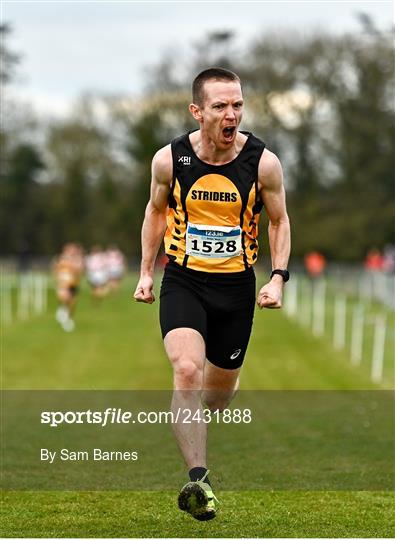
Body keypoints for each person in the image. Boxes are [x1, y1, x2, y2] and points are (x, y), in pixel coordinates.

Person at [134, 67, 291, 521]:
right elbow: (155, 211)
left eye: (238, 104)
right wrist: (146, 273)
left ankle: (210, 399)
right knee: (186, 370)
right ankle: (199, 481)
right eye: (221, 106)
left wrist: (278, 277)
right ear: (197, 111)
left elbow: (279, 221)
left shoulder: (263, 162)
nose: (232, 114)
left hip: (236, 288)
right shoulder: (170, 160)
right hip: (184, 279)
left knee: (218, 396)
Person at [53, 242, 84, 332]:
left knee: (72, 303)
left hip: (74, 283)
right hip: (64, 283)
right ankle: (62, 312)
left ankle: (68, 317)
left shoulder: (77, 259)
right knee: (64, 298)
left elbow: (80, 270)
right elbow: (56, 269)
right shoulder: (60, 258)